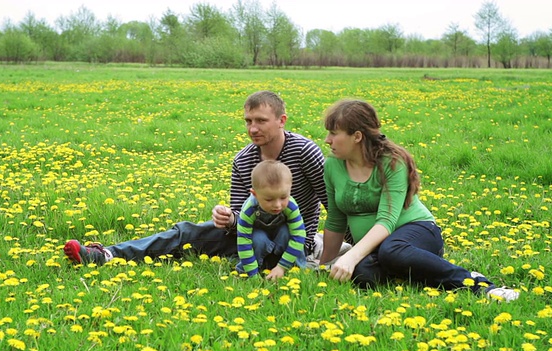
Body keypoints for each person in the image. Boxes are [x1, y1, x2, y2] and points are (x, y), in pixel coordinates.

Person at [64, 90, 351, 266]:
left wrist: (361, 247)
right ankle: (108, 255)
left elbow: (333, 206)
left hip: (295, 242)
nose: (253, 129)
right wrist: (228, 218)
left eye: (261, 121)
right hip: (254, 241)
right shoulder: (243, 160)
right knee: (188, 232)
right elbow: (241, 217)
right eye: (248, 121)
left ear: (281, 120)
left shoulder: (304, 151)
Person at [319, 98, 519, 302]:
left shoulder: (392, 162)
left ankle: (478, 284)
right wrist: (325, 266)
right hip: (378, 248)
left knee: (391, 251)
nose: (327, 140)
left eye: (334, 133)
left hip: (418, 231)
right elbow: (336, 221)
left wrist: (352, 255)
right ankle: (416, 270)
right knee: (363, 275)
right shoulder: (333, 166)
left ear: (357, 137)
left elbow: (387, 221)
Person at [236, 160, 306, 280]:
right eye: (269, 199)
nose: (277, 205)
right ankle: (250, 270)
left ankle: (297, 268)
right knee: (258, 239)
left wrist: (282, 267)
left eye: (283, 197)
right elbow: (244, 242)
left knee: (286, 232)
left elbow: (298, 236)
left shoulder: (291, 206)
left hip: (281, 236)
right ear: (254, 194)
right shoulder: (249, 210)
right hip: (260, 236)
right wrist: (252, 275)